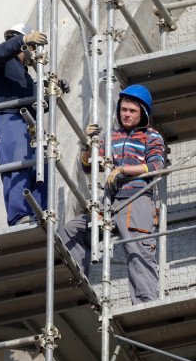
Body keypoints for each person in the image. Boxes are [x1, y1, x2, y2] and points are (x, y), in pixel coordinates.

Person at [62, 85, 166, 304]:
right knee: (73, 230)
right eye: (124, 109)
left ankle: (145, 304)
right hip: (110, 202)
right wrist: (86, 144)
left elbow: (156, 165)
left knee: (138, 252)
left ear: (143, 114)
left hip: (136, 200)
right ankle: (75, 289)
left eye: (132, 111)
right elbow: (89, 167)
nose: (126, 114)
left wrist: (122, 170)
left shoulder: (151, 136)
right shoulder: (111, 137)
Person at [0, 23, 48, 226]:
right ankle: (19, 217)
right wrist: (23, 41)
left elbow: (37, 104)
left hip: (29, 123)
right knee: (17, 168)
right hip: (8, 120)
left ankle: (39, 216)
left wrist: (52, 92)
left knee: (38, 170)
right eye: (34, 46)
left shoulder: (25, 78)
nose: (35, 53)